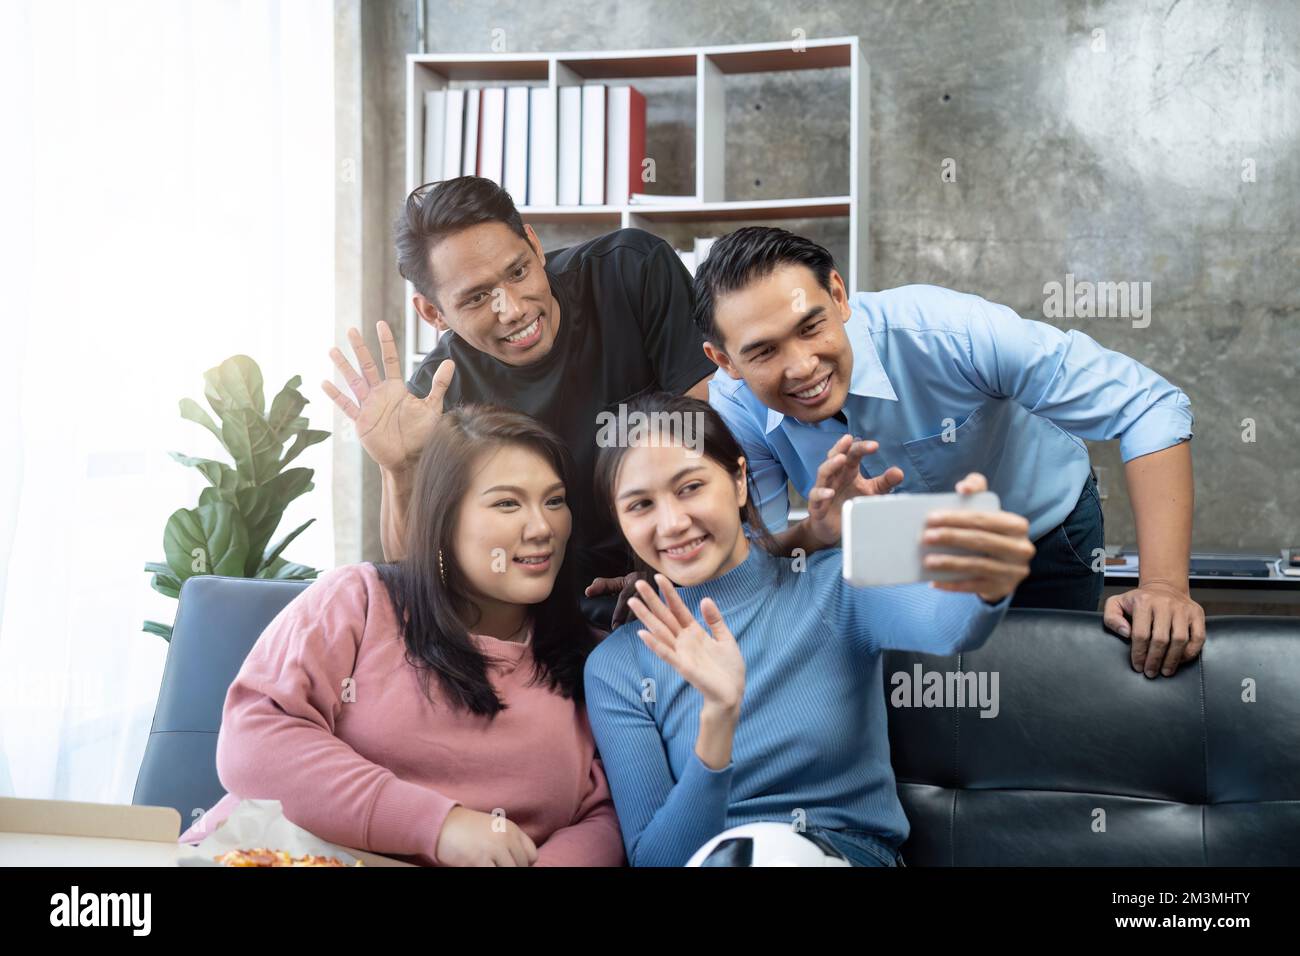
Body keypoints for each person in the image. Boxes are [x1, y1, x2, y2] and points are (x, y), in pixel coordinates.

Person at [697, 226, 1205, 678]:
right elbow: (746, 562)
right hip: (891, 561)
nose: (803, 367)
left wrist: (1164, 586)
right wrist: (817, 532)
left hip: (1042, 535)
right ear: (725, 360)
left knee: (1046, 696)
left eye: (811, 328)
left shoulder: (950, 330)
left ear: (837, 294)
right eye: (764, 351)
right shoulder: (732, 412)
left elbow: (1148, 405)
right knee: (928, 723)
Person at [583, 393, 1034, 866]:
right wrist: (718, 719)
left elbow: (950, 627)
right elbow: (659, 861)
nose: (672, 523)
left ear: (739, 480)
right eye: (640, 505)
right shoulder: (617, 666)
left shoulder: (836, 585)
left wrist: (984, 583)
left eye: (690, 487)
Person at [179, 406, 624, 867]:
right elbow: (255, 743)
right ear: (444, 521)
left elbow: (607, 816)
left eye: (554, 501)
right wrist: (438, 824)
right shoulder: (358, 600)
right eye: (507, 503)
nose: (542, 527)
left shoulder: (596, 661)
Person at [323, 175, 717, 629]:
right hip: (540, 617)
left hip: (681, 568)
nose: (513, 309)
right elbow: (418, 575)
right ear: (433, 313)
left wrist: (661, 568)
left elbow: (706, 443)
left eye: (518, 272)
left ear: (532, 242)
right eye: (476, 298)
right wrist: (399, 467)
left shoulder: (631, 270)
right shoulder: (437, 392)